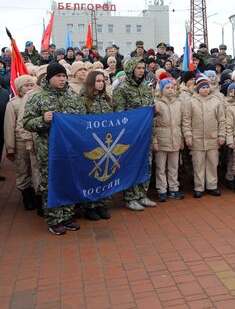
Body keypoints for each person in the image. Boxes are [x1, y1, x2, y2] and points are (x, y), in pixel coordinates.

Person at [23, 63, 85, 235]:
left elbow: (82, 120)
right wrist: (43, 119)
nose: (62, 79)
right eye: (58, 76)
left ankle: (67, 215)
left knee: (69, 180)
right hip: (49, 149)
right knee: (51, 183)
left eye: (64, 76)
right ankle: (55, 219)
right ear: (49, 78)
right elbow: (27, 122)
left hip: (70, 148)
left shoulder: (73, 97)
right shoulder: (38, 98)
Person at [112, 56, 157, 211]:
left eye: (142, 68)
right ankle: (130, 197)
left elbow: (150, 106)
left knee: (146, 163)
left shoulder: (146, 87)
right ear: (131, 69)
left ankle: (142, 195)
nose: (140, 71)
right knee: (131, 164)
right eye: (138, 68)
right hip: (130, 135)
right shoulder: (122, 89)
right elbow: (119, 114)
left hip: (146, 132)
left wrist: (154, 110)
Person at [183, 76, 225, 198]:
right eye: (203, 87)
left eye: (207, 87)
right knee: (198, 163)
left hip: (213, 137)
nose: (206, 90)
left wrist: (222, 135)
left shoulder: (216, 101)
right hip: (197, 138)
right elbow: (186, 121)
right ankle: (199, 187)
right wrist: (188, 136)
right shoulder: (191, 102)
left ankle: (212, 186)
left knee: (212, 163)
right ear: (198, 89)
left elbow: (222, 120)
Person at [80, 71, 113, 220]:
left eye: (103, 81)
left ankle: (102, 203)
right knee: (90, 175)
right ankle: (90, 206)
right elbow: (79, 122)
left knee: (105, 177)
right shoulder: (83, 100)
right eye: (98, 81)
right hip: (91, 143)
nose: (101, 83)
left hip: (106, 143)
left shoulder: (106, 99)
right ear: (91, 82)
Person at [4, 75, 37, 209]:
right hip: (20, 142)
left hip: (34, 140)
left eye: (31, 85)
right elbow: (9, 126)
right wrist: (10, 147)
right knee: (23, 169)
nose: (29, 88)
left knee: (35, 169)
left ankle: (36, 194)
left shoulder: (36, 99)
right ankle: (26, 196)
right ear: (19, 88)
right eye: (26, 86)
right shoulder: (13, 104)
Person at [154, 78, 185, 202]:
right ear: (161, 90)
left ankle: (173, 188)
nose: (170, 90)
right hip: (162, 138)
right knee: (161, 167)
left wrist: (181, 138)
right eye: (167, 88)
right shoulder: (157, 104)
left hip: (175, 138)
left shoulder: (178, 103)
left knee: (173, 166)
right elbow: (154, 124)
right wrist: (155, 141)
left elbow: (181, 123)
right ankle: (162, 189)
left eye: (172, 87)